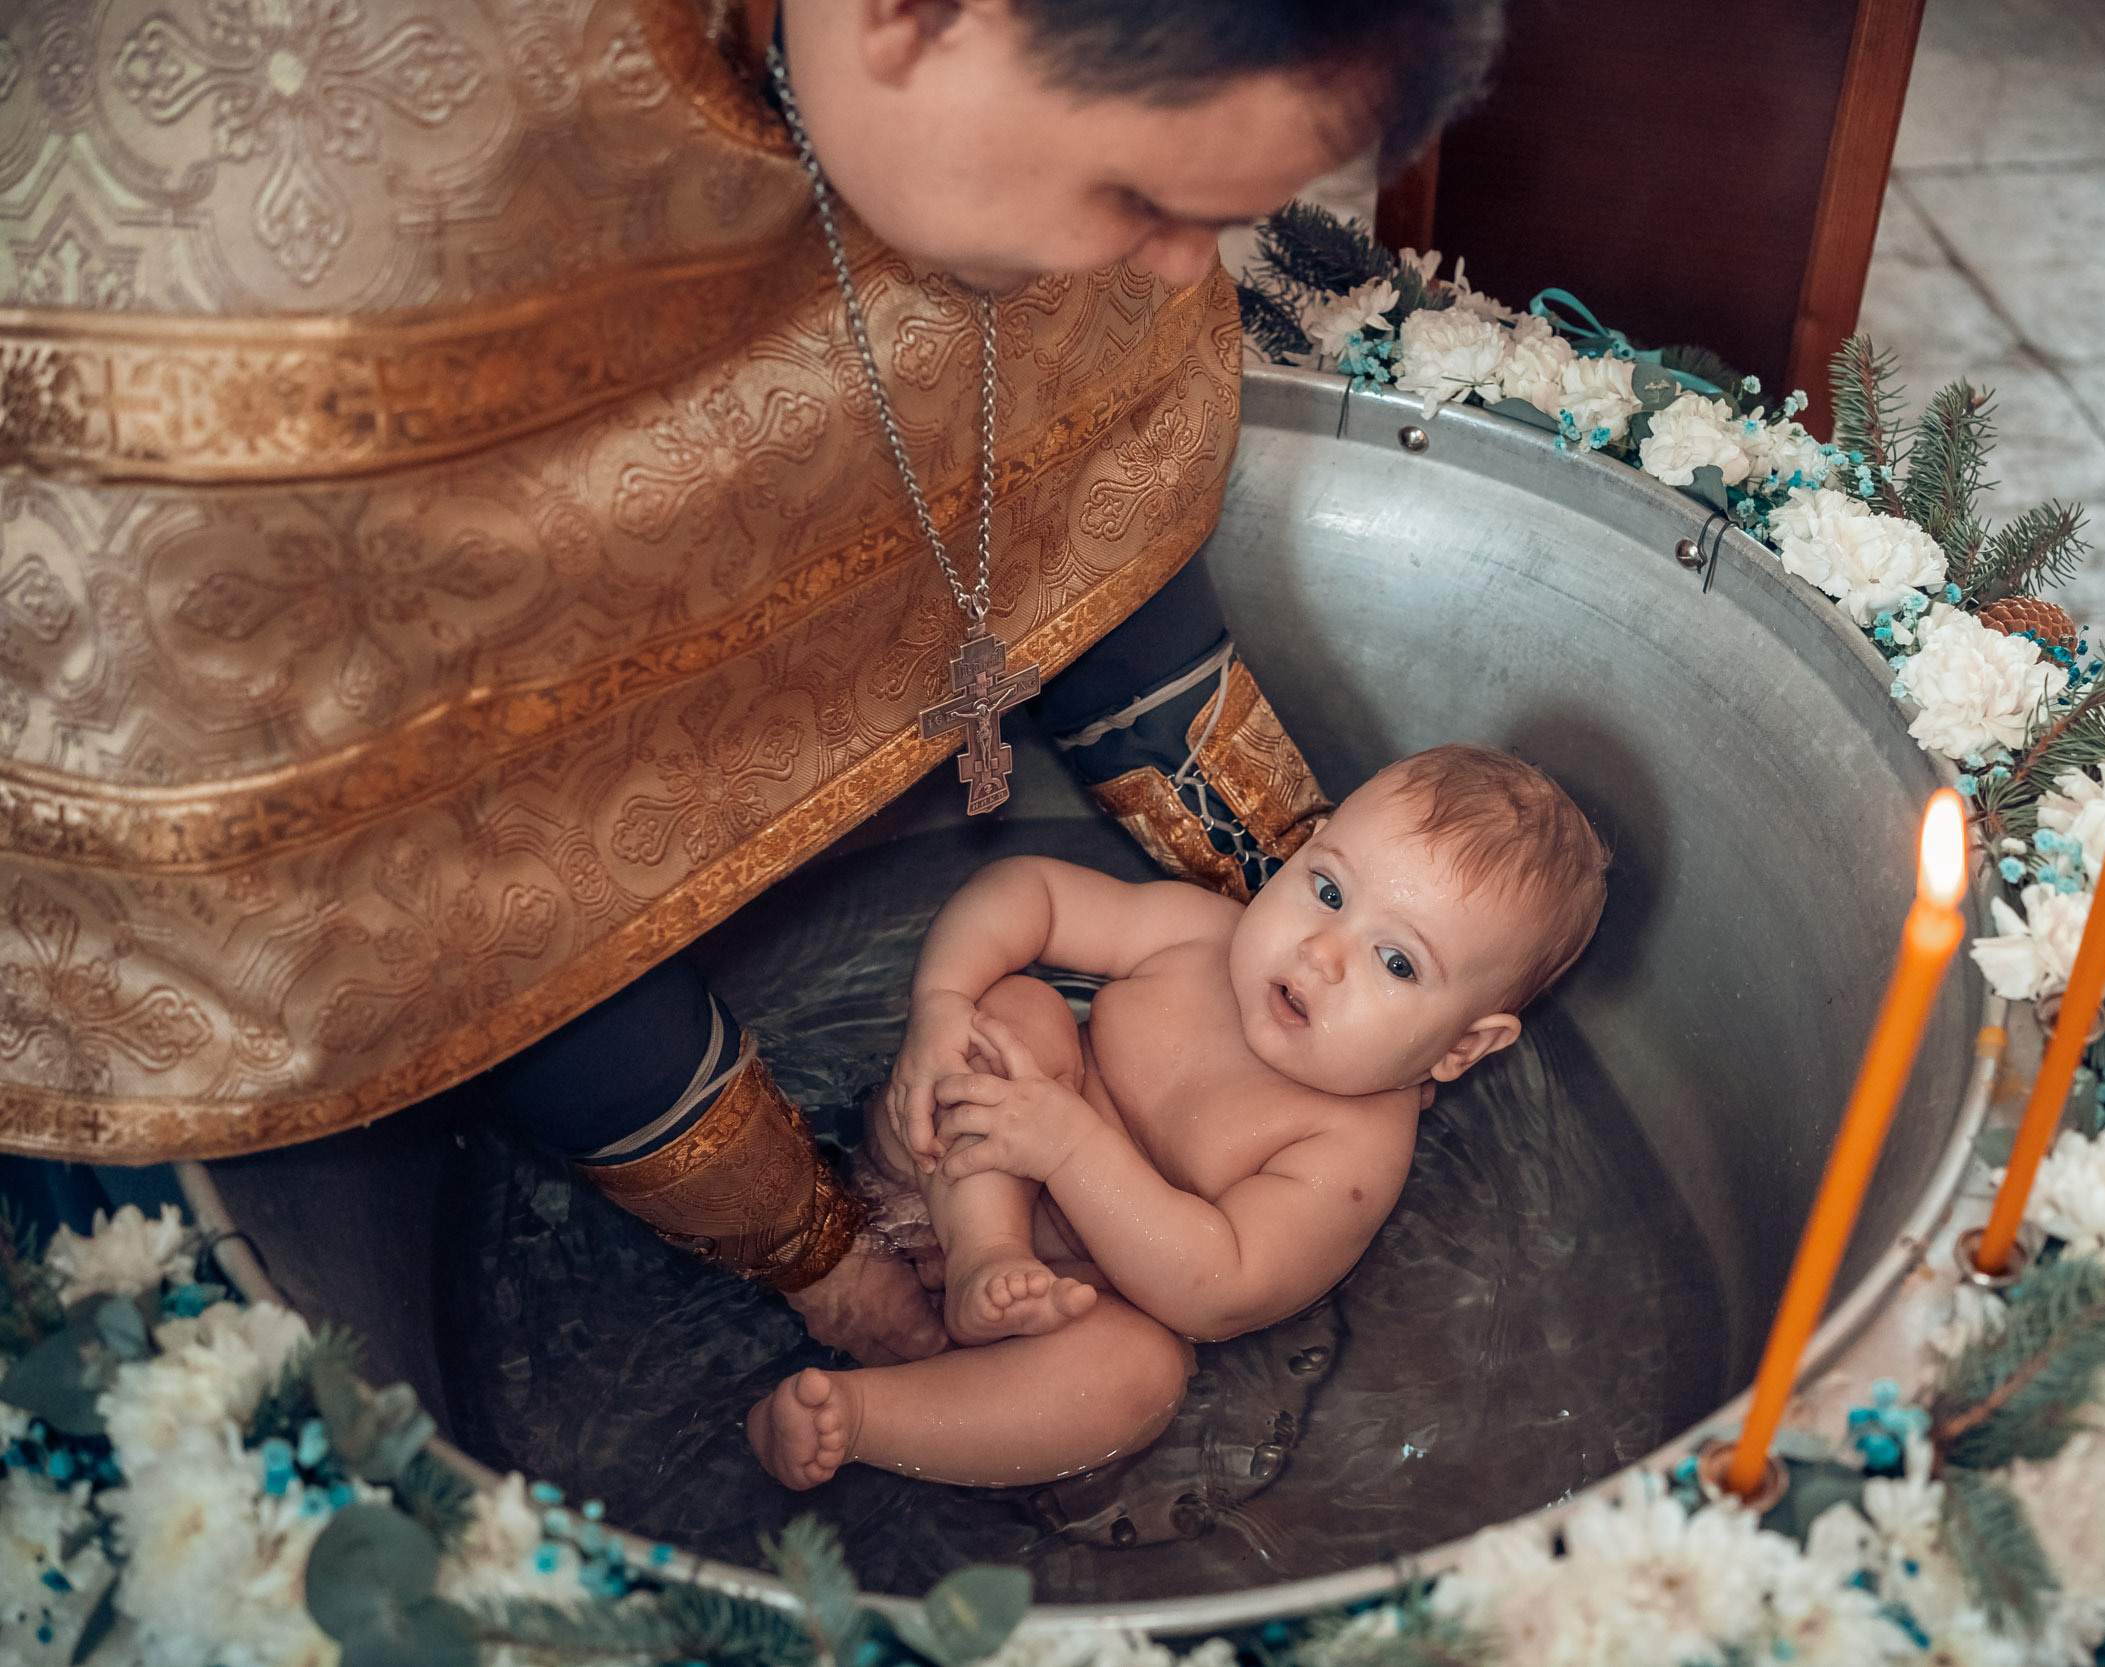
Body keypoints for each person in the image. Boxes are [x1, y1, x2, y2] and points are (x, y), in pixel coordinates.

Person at [0, 0, 1500, 1373]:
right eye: (1144, 199)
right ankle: (830, 1274)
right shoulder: (289, 240)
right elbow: (428, 859)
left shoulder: (1033, 140)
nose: (1187, 267)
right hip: (437, 692)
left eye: (1219, 218)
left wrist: (1371, 920)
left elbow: (1074, 442)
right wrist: (860, 1195)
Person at [746, 745, 1607, 1488]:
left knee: (1140, 1374)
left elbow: (1216, 1289)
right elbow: (1031, 891)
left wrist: (1072, 1144)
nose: (1322, 952)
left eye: (1395, 960)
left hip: (1085, 1293)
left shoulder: (1351, 1151)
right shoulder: (1201, 935)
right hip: (954, 1182)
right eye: (1329, 889)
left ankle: (864, 1419)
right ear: (1305, 850)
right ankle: (980, 1257)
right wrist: (941, 1003)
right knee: (1013, 1010)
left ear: (1461, 1048)